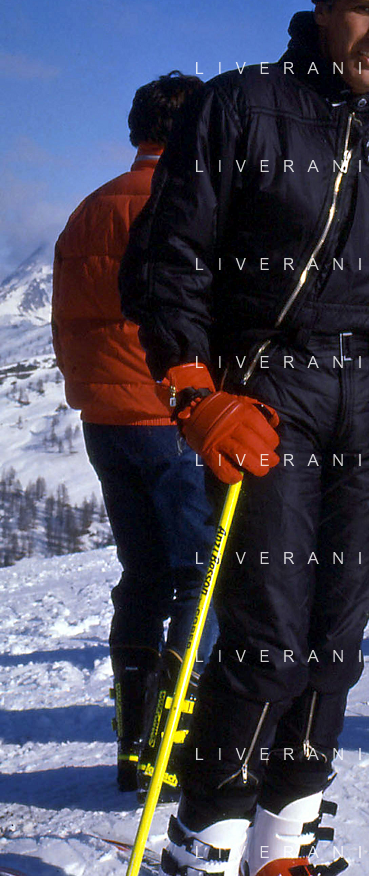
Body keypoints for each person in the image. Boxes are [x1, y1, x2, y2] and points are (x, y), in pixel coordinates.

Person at [119, 0, 369, 876]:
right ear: (324, 6)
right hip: (266, 393)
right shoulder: (242, 104)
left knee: (334, 636)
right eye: (367, 10)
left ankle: (278, 857)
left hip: (364, 403)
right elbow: (164, 264)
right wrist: (192, 386)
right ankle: (193, 872)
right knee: (264, 635)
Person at [52, 71, 217, 796]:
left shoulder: (88, 210)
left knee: (144, 573)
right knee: (199, 575)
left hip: (105, 421)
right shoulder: (186, 201)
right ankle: (175, 745)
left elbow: (66, 319)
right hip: (171, 414)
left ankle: (133, 737)